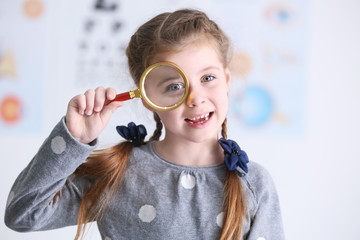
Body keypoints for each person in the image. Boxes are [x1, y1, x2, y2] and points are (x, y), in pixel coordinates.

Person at [4, 9, 285, 240]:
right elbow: (23, 214)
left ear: (227, 79)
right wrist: (72, 139)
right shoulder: (116, 174)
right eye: (174, 85)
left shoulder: (254, 184)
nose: (195, 98)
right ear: (148, 97)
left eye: (207, 78)